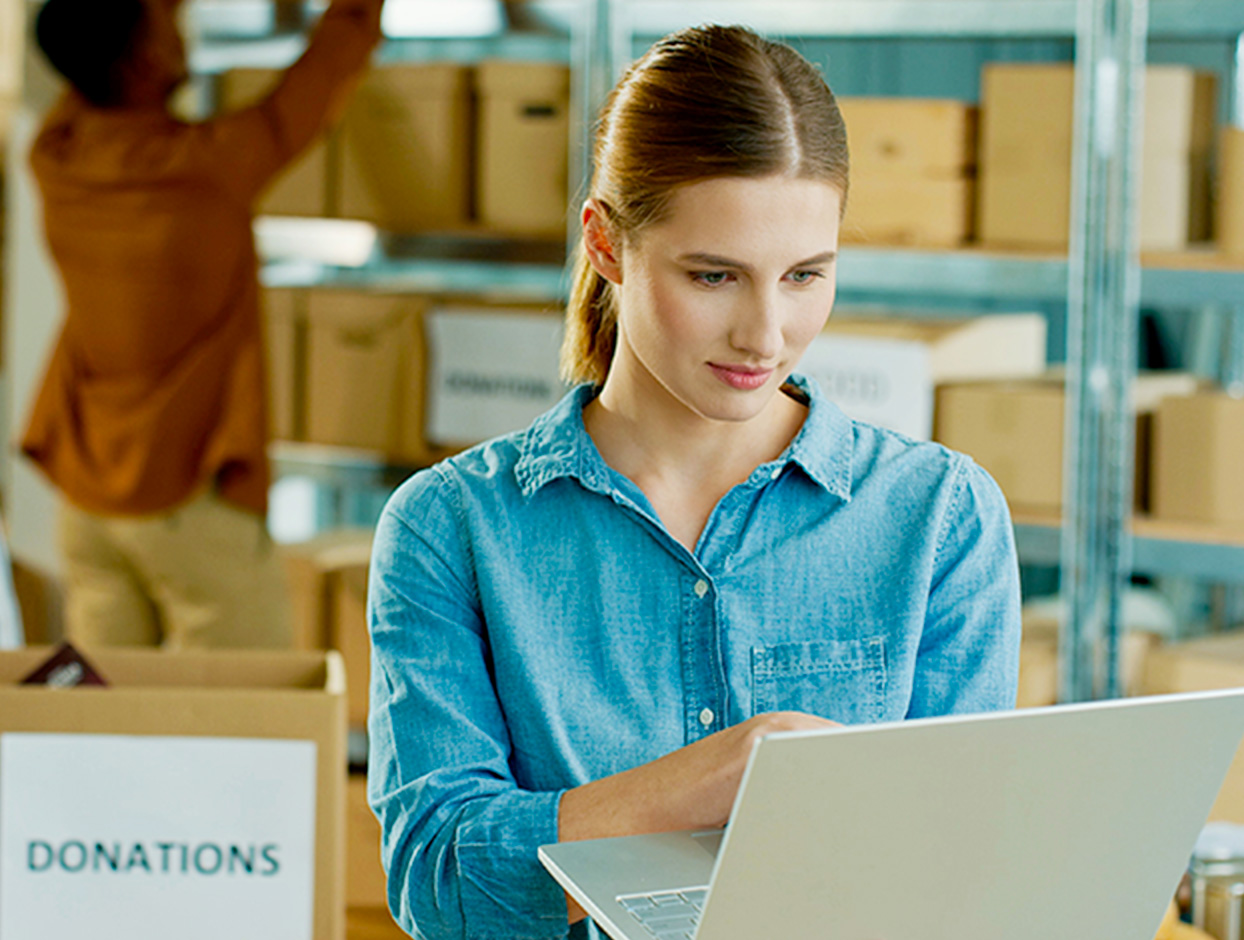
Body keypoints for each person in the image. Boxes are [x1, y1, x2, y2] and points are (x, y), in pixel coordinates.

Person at [367, 23, 1022, 940]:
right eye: (714, 275)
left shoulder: (939, 517)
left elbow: (962, 875)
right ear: (604, 244)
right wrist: (716, 778)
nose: (765, 332)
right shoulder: (452, 528)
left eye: (805, 275)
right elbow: (441, 883)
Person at [22, 0, 384, 649]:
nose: (179, 18)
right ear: (143, 60)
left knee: (104, 721)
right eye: (164, 19)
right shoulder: (208, 168)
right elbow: (320, 77)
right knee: (241, 725)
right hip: (187, 501)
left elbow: (81, 54)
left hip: (88, 499)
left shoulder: (56, 157)